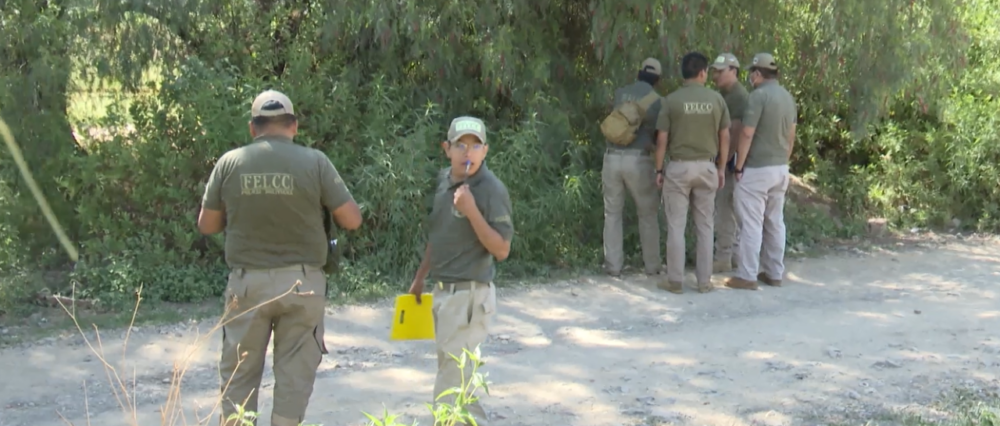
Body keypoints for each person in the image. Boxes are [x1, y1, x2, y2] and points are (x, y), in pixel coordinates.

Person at [197, 89, 363, 426]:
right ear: (294, 126)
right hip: (303, 285)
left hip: (248, 285)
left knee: (239, 373)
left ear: (252, 127)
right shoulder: (316, 162)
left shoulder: (230, 163)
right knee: (294, 375)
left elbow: (207, 225)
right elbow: (352, 220)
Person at [408, 116, 514, 426]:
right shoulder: (445, 180)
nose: (468, 153)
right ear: (447, 148)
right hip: (443, 293)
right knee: (457, 382)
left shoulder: (491, 190)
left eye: (476, 146)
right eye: (461, 145)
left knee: (450, 387)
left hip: (469, 296)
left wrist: (471, 211)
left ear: (486, 150)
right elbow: (439, 233)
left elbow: (502, 250)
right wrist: (420, 277)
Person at [654, 52, 731, 294]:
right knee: (705, 226)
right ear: (702, 73)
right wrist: (721, 168)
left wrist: (659, 169)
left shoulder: (671, 101)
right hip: (707, 167)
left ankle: (675, 281)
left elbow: (662, 139)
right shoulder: (717, 100)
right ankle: (704, 281)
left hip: (678, 167)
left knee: (676, 225)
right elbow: (725, 136)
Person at [724, 53, 798, 291]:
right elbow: (791, 135)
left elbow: (747, 133)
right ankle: (774, 273)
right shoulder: (787, 97)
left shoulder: (758, 96)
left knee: (751, 223)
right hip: (780, 167)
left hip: (757, 168)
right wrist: (784, 160)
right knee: (775, 221)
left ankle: (747, 275)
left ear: (757, 74)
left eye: (751, 73)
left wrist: (739, 165)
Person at [602, 57, 665, 277]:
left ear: (639, 73)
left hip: (611, 157)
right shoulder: (657, 101)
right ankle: (652, 266)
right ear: (657, 79)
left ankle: (613, 266)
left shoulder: (620, 93)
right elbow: (659, 136)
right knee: (647, 214)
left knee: (612, 213)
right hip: (638, 160)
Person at [709, 53, 750, 273]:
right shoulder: (725, 95)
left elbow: (735, 133)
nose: (715, 75)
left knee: (724, 208)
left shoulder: (737, 97)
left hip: (730, 161)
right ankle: (734, 255)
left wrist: (723, 162)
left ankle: (723, 256)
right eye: (714, 71)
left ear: (733, 71)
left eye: (720, 71)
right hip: (730, 160)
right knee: (729, 208)